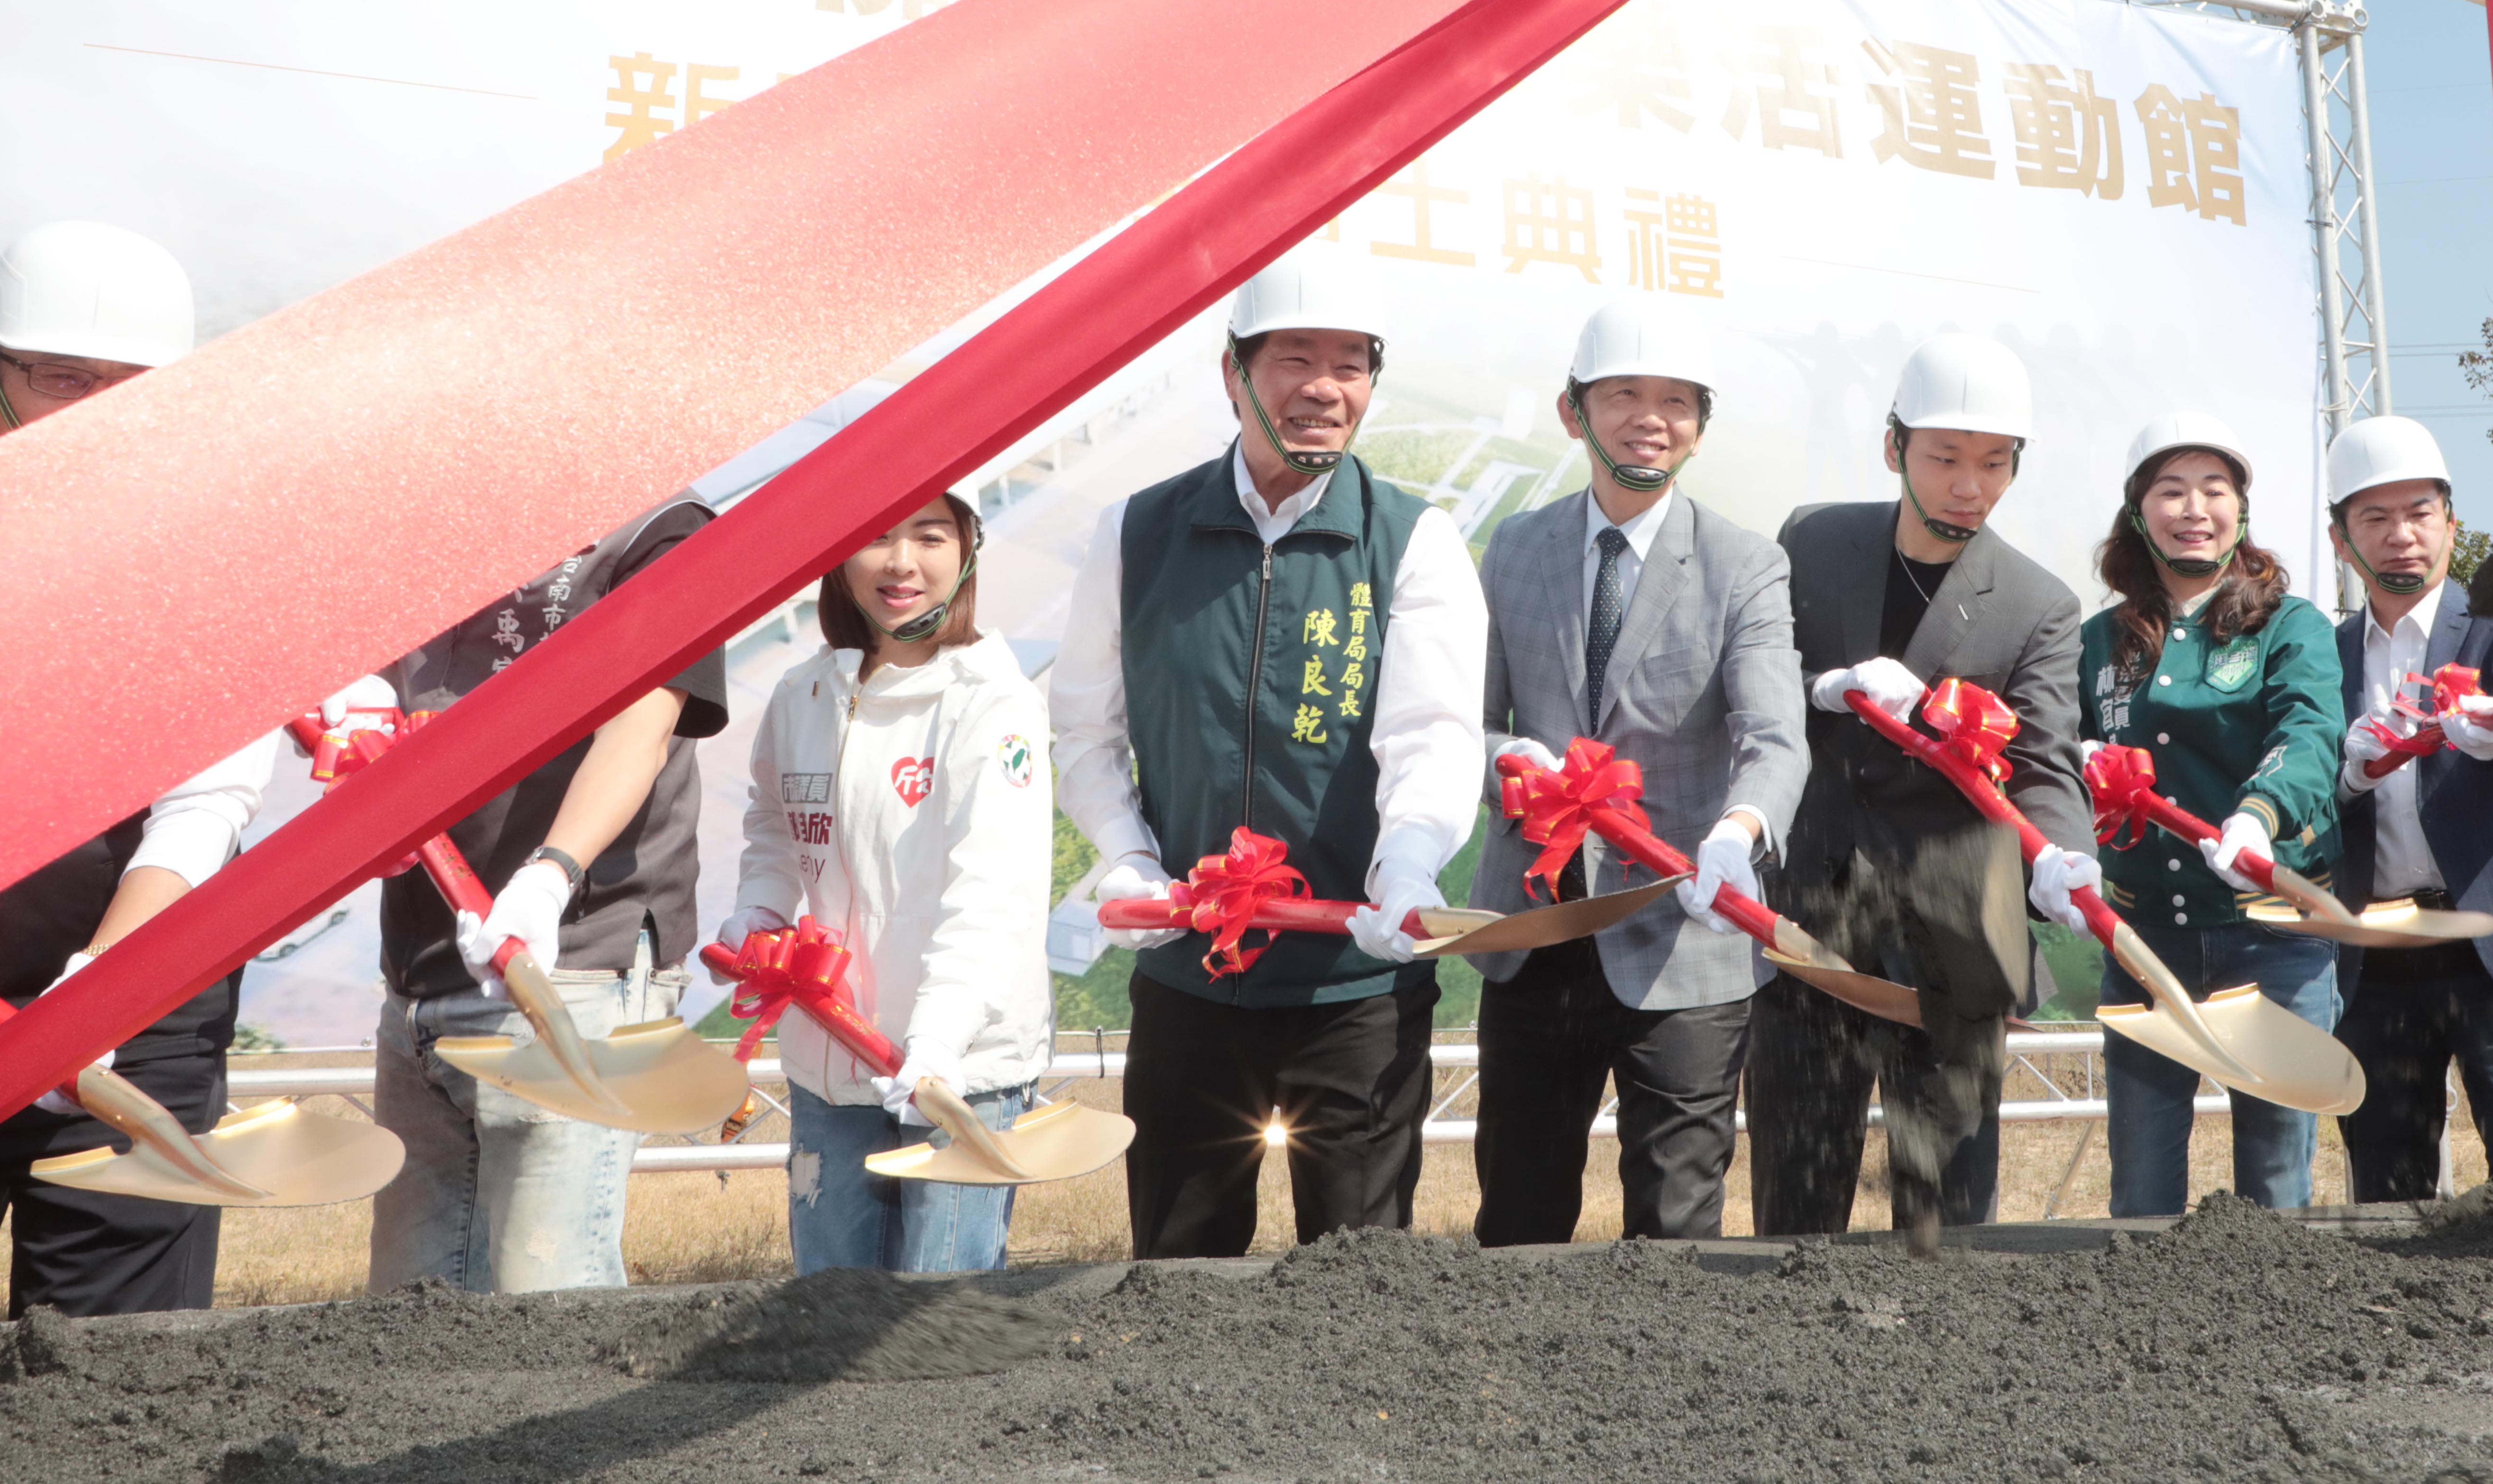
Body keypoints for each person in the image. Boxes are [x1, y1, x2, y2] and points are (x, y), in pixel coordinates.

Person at [1052, 256, 1487, 1259]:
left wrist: (1409, 863)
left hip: (1353, 985)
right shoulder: (1138, 529)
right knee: (1181, 1266)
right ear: (1234, 373)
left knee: (1358, 1272)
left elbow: (1431, 732)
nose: (1324, 386)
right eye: (1295, 357)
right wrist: (1124, 850)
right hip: (1192, 976)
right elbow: (1083, 726)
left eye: (1352, 363)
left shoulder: (1414, 540)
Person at [0, 221, 276, 1318]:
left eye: (132, 388)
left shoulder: (216, 567)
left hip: (134, 1016)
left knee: (116, 1378)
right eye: (61, 379)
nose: (97, 414)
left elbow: (207, 799)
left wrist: (99, 986)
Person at [1466, 297, 1805, 1243]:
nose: (1649, 417)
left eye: (1675, 400)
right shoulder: (1516, 546)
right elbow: (1467, 720)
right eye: (1623, 394)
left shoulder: (1744, 564)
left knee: (1677, 1223)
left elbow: (1775, 733)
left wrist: (1737, 834)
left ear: (1700, 426)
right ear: (1574, 411)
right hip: (1537, 928)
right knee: (1520, 1211)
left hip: (1683, 936)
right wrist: (1509, 762)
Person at [1747, 332, 2088, 1243]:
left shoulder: (2038, 604)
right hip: (1812, 918)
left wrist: (2064, 856)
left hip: (1959, 935)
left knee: (1947, 1213)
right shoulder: (1814, 541)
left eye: (1993, 464)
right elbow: (1763, 683)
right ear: (1894, 447)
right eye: (1943, 458)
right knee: (1795, 1195)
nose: (1967, 486)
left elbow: (2048, 761)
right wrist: (1822, 688)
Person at [366, 495, 729, 1293]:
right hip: (425, 968)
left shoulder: (662, 527)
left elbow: (642, 729)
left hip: (573, 961)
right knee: (405, 1314)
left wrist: (550, 873)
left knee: (548, 1299)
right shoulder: (430, 525)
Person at [719, 491, 1055, 1274]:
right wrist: (758, 911)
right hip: (831, 1063)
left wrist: (935, 1044)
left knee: (936, 1320)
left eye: (930, 536)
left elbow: (992, 899)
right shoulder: (802, 695)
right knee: (830, 1308)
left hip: (956, 1070)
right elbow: (772, 827)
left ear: (968, 549)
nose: (902, 563)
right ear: (838, 556)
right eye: (874, 534)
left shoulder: (993, 704)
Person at [2081, 412, 2345, 1216]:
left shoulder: (2289, 626)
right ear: (2137, 512)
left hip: (2272, 936)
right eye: (2171, 490)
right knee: (2143, 1184)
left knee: (2274, 1185)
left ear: (2241, 510)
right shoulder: (2098, 640)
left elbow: (2311, 730)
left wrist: (2260, 814)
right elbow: (2054, 753)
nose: (2194, 507)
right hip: (2145, 938)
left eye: (2214, 489)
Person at [2315, 416, 2493, 1201]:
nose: (2402, 538)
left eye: (2421, 513)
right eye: (2376, 519)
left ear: (2451, 524)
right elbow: (2303, 790)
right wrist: (2348, 777)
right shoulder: (2321, 654)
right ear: (2340, 539)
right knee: (2389, 1193)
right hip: (2378, 950)